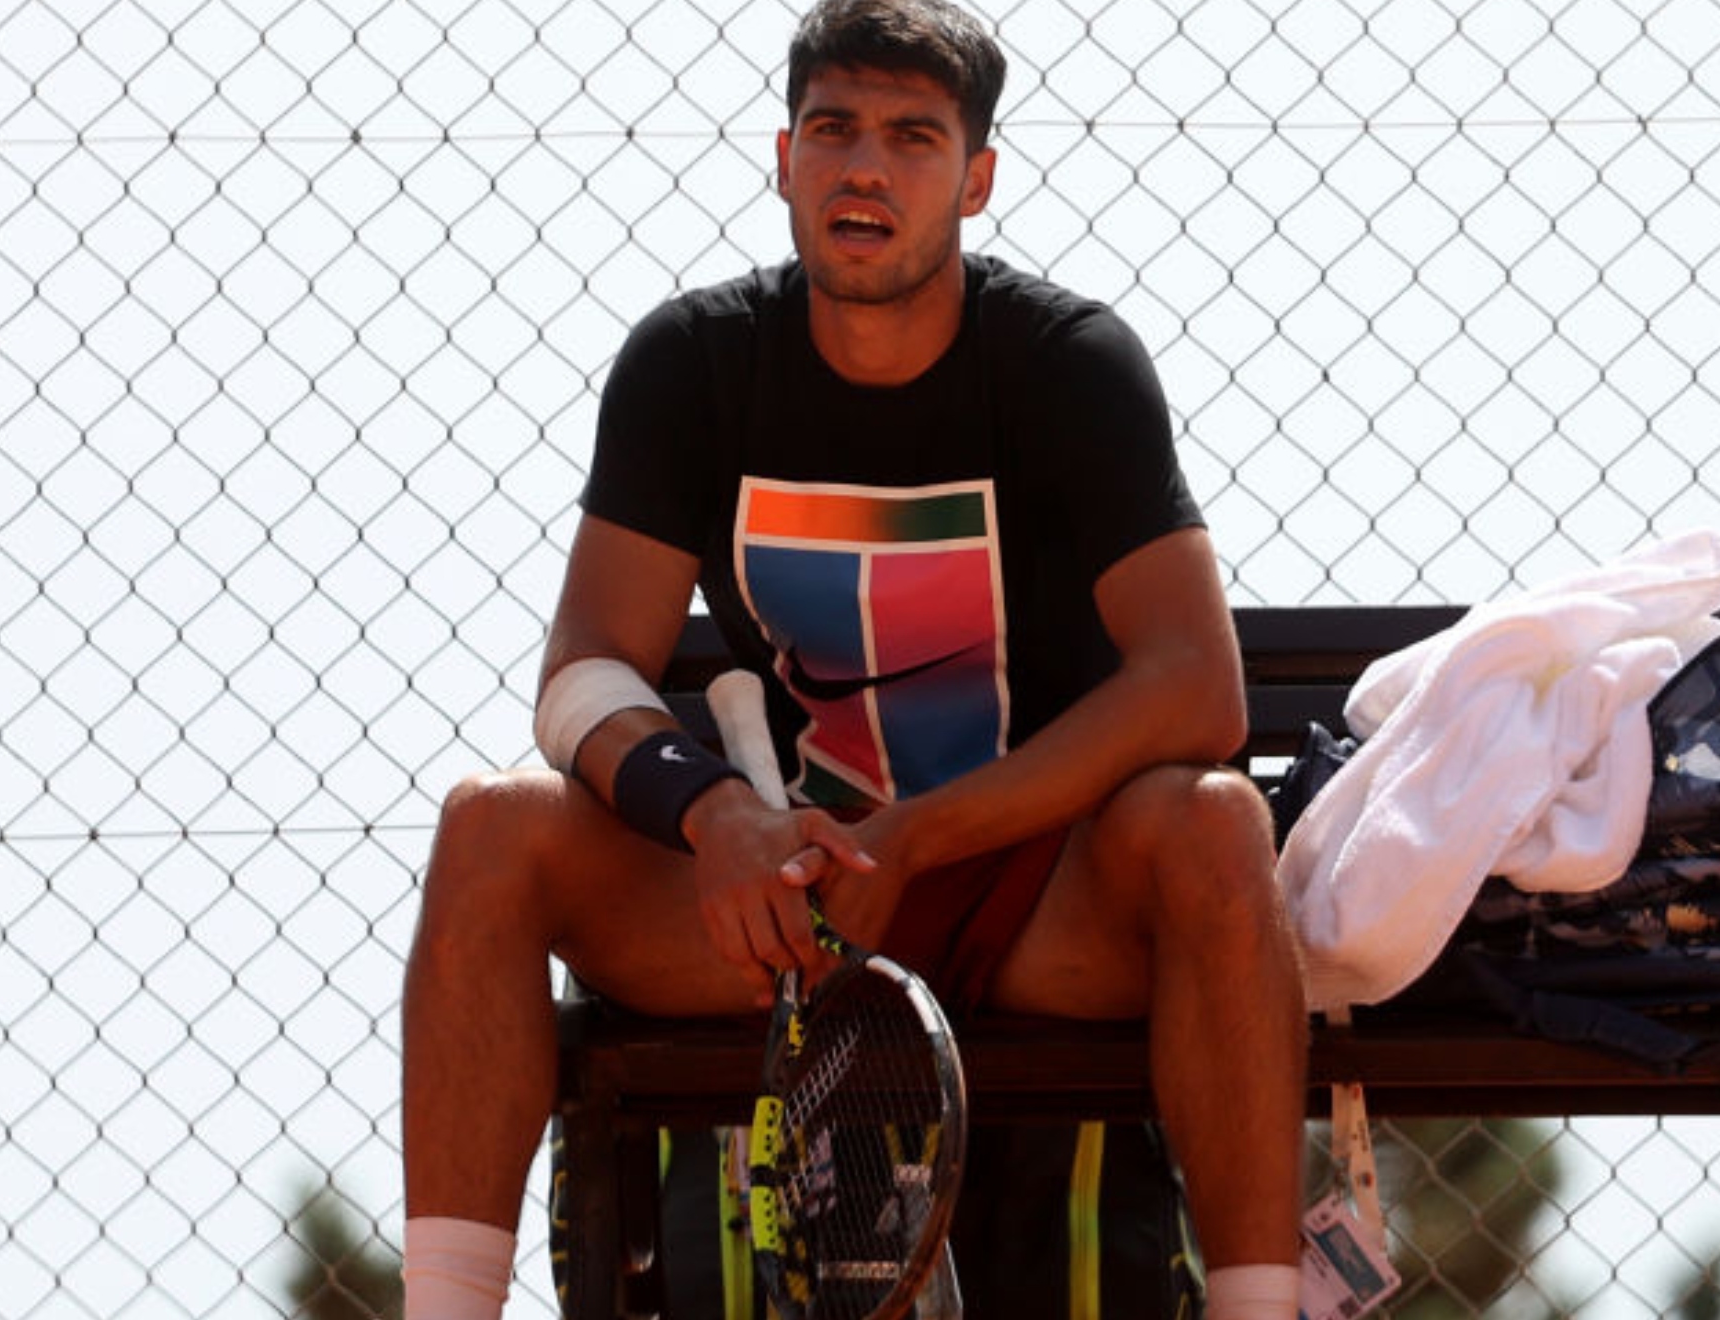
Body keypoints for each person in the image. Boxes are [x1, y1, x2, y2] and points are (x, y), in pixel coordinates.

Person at [399, 1, 1309, 1316]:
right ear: (784, 159)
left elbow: (1195, 687)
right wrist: (712, 814)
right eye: (833, 130)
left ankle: (1261, 1309)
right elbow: (586, 672)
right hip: (780, 908)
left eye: (912, 136)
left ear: (977, 177)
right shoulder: (692, 363)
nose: (865, 168)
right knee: (491, 828)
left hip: (1029, 893)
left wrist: (921, 841)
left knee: (1218, 825)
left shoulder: (1070, 364)